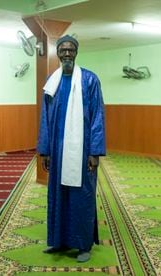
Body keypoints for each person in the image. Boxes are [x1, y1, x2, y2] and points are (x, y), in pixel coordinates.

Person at [37, 35, 106, 263]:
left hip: (82, 151)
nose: (67, 54)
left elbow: (97, 117)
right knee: (58, 195)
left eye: (71, 50)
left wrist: (94, 152)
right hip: (57, 151)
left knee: (81, 196)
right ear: (58, 53)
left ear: (76, 52)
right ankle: (59, 241)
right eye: (63, 50)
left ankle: (83, 244)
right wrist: (45, 150)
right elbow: (45, 118)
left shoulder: (89, 80)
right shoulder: (52, 81)